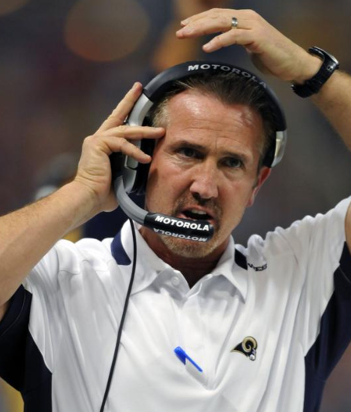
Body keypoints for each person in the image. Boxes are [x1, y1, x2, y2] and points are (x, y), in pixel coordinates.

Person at [0, 7, 351, 412]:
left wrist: (312, 71)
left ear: (258, 184)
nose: (205, 187)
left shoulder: (301, 274)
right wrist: (82, 192)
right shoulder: (62, 278)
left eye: (232, 163)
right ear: (140, 158)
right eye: (187, 153)